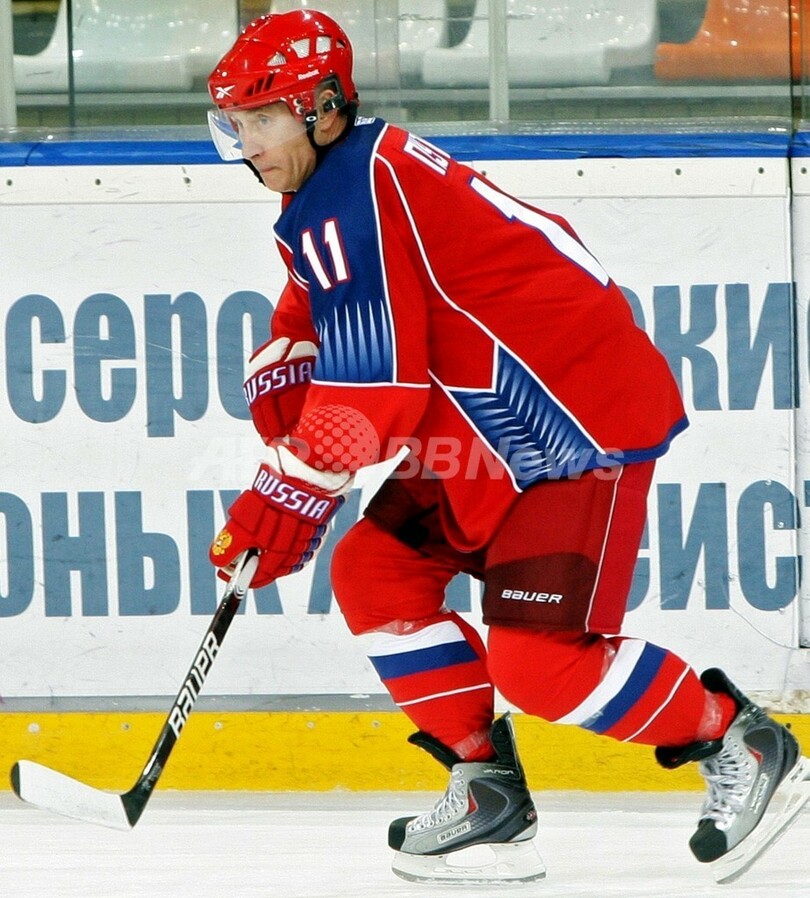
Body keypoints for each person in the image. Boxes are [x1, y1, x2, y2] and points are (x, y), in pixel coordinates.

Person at [205, 9, 809, 885]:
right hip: (486, 427)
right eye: (236, 122)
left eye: (263, 118)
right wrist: (291, 350)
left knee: (538, 664)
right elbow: (327, 299)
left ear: (325, 109)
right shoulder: (348, 179)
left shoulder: (354, 192)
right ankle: (485, 788)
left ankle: (736, 738)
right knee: (376, 572)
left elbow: (375, 400)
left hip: (573, 425)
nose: (248, 142)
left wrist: (284, 495)